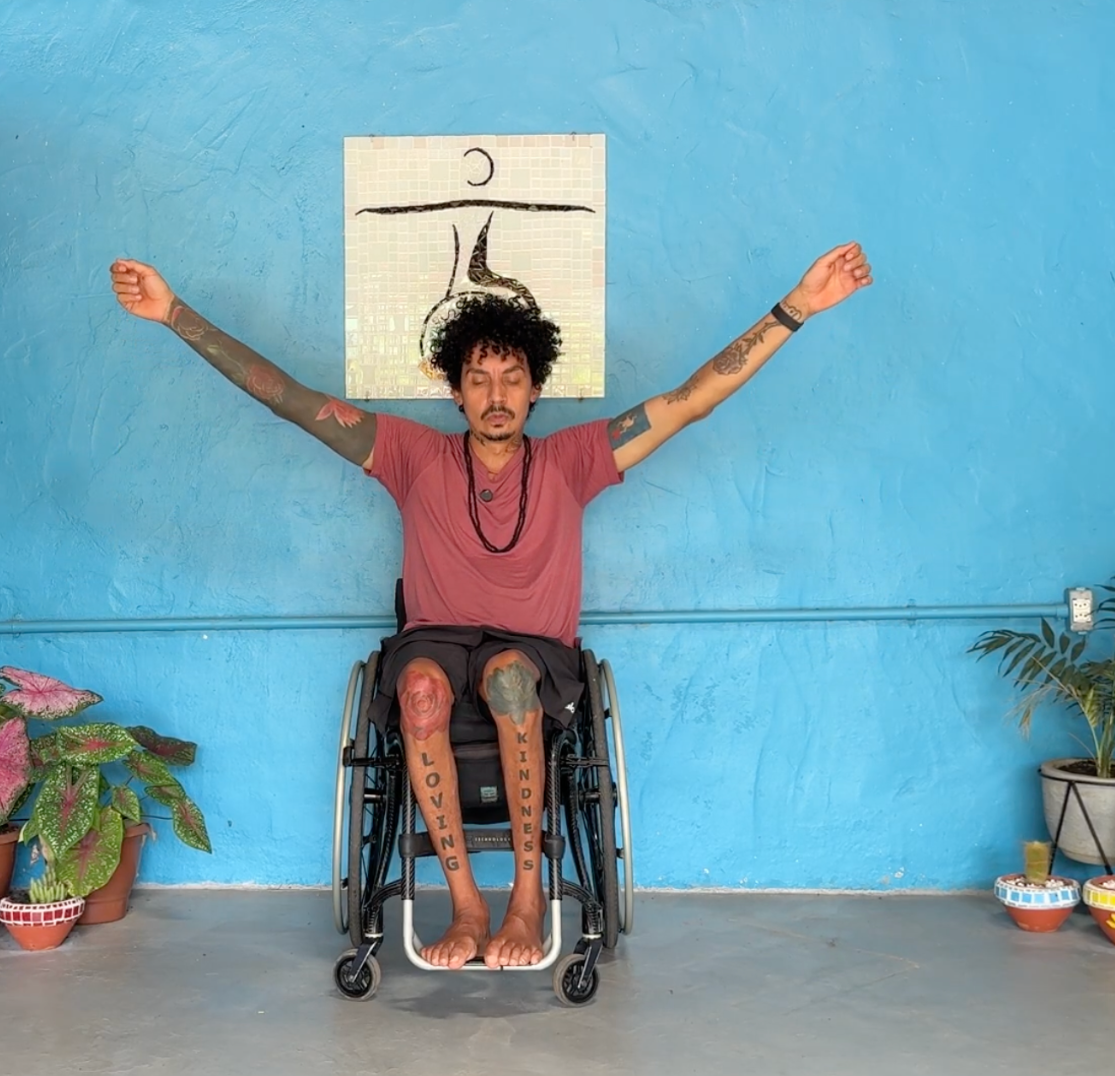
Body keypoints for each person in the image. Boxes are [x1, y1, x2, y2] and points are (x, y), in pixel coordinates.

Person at [110, 243, 872, 968]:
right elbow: (290, 401)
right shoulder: (411, 455)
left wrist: (797, 306)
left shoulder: (576, 459)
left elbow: (687, 403)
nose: (497, 394)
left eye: (512, 378)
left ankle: (527, 903)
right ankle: (468, 907)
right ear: (456, 389)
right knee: (415, 692)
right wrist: (177, 314)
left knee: (510, 677)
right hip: (434, 646)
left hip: (532, 656)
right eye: (479, 378)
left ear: (535, 387)